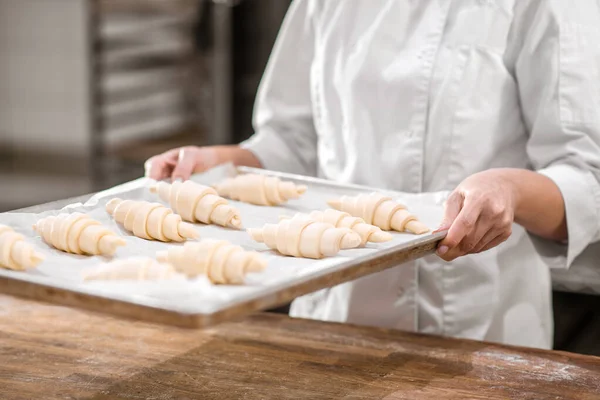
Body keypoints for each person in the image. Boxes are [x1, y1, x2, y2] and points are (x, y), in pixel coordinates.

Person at [145, 0, 600, 349]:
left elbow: (586, 177)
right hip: (329, 318)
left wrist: (510, 189)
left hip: (477, 332)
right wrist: (219, 163)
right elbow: (295, 140)